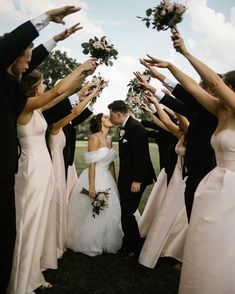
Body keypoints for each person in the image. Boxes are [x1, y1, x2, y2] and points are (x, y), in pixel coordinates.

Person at [0, 6, 80, 293]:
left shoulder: (11, 86)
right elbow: (56, 93)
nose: (28, 66)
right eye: (25, 60)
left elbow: (54, 95)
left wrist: (57, 38)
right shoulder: (8, 85)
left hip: (12, 170)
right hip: (21, 169)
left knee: (11, 230)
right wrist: (46, 18)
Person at [152, 28, 235, 294]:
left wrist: (186, 52)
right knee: (205, 240)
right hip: (214, 185)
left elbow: (213, 82)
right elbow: (189, 88)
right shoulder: (218, 110)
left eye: (222, 87)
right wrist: (171, 67)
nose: (211, 89)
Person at [8, 59, 98, 293]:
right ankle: (19, 284)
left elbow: (61, 96)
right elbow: (58, 90)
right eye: (42, 84)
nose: (45, 86)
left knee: (38, 223)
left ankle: (32, 275)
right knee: (28, 224)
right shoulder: (25, 107)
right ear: (34, 87)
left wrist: (84, 83)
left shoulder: (36, 109)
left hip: (42, 169)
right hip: (31, 171)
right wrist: (81, 68)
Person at [67, 113, 123, 256]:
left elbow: (111, 164)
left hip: (107, 177)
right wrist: (92, 187)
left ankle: (106, 240)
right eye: (105, 117)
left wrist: (115, 183)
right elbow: (91, 165)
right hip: (94, 176)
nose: (109, 118)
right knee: (93, 210)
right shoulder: (94, 138)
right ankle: (89, 241)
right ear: (100, 122)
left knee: (109, 210)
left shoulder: (110, 139)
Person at [108, 100, 156, 258]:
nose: (110, 118)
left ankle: (135, 248)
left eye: (112, 115)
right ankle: (128, 244)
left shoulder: (135, 128)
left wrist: (137, 180)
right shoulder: (126, 127)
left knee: (127, 212)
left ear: (119, 114)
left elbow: (141, 157)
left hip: (136, 178)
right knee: (126, 212)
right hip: (127, 176)